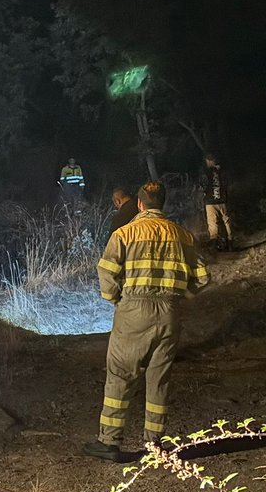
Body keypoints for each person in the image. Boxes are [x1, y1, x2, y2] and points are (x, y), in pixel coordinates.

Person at [86, 180, 209, 461]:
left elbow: (106, 272)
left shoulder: (124, 233)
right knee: (159, 378)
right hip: (169, 312)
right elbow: (203, 277)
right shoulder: (183, 236)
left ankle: (109, 441)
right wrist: (180, 296)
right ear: (162, 203)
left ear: (139, 204)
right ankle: (155, 444)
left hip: (133, 311)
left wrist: (116, 299)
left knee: (120, 374)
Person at [200, 153, 233, 251]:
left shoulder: (206, 172)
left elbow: (203, 185)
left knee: (212, 223)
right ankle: (230, 242)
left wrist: (204, 194)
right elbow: (226, 184)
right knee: (226, 221)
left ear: (210, 161)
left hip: (210, 202)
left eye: (207, 161)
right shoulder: (222, 171)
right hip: (222, 200)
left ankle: (214, 245)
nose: (206, 163)